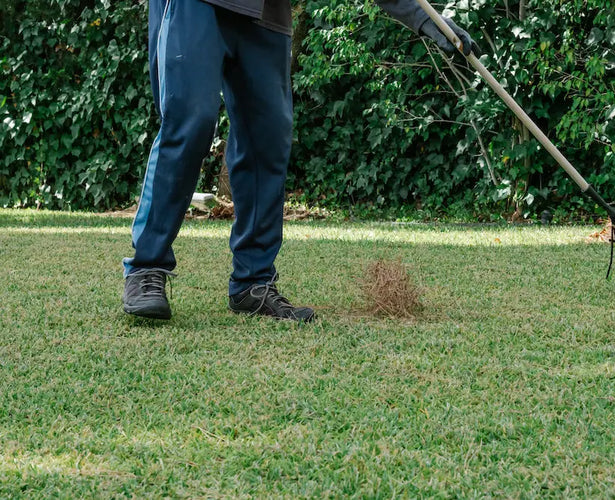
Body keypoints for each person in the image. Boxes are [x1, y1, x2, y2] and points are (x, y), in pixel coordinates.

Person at [122, 0, 478, 322]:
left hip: (267, 12)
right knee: (191, 121)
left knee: (268, 139)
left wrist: (427, 20)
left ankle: (253, 282)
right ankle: (146, 267)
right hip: (196, 6)